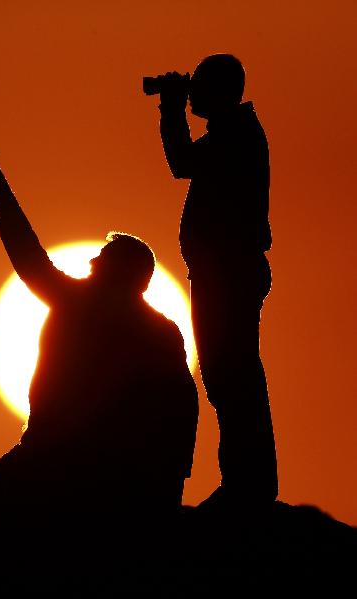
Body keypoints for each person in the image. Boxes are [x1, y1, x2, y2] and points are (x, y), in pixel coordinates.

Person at [0, 155, 198, 592]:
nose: (92, 263)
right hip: (94, 451)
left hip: (71, 449)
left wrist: (4, 199)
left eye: (102, 259)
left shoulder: (88, 305)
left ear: (120, 272)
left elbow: (31, 261)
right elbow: (182, 404)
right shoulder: (158, 328)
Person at [155, 54, 277, 509]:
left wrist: (169, 109)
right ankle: (245, 482)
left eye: (200, 86)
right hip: (220, 272)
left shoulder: (235, 135)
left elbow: (181, 163)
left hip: (229, 273)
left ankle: (249, 486)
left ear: (222, 91)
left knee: (233, 374)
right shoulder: (233, 133)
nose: (193, 94)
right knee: (227, 375)